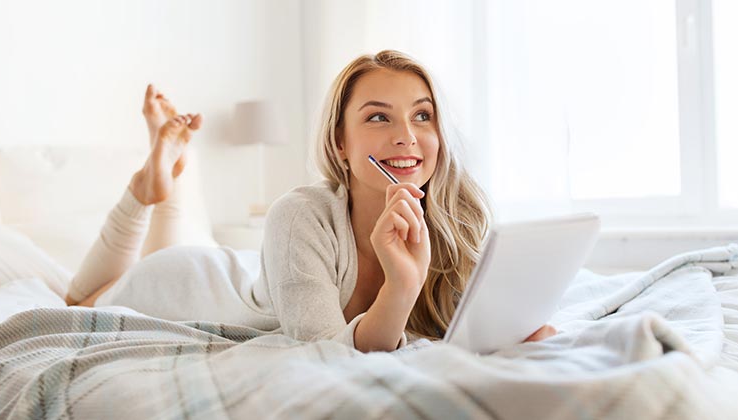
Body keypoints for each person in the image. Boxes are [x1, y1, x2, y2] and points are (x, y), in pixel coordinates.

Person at [65, 50, 556, 352]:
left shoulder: (453, 217)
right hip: (185, 284)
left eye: (423, 116)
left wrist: (512, 330)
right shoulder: (298, 214)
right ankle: (146, 188)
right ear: (340, 144)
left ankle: (164, 179)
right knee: (74, 299)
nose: (407, 136)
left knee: (172, 228)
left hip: (238, 272)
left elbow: (464, 327)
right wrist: (402, 286)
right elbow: (323, 351)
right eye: (379, 118)